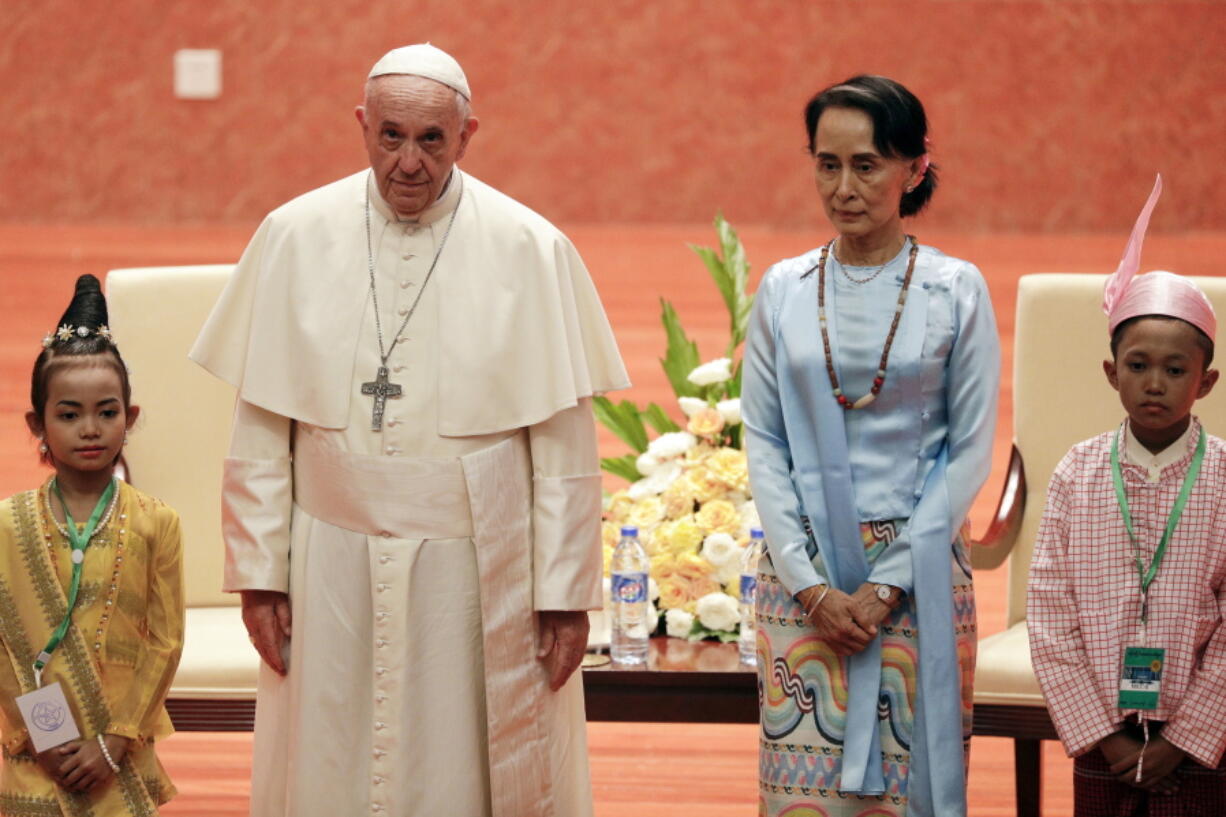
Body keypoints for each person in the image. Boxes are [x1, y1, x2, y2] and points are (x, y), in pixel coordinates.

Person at [189, 44, 628, 817]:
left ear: (468, 136)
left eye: (432, 140)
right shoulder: (294, 235)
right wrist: (259, 569)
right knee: (330, 759)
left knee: (459, 772)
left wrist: (563, 593)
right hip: (330, 558)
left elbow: (563, 442)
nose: (409, 163)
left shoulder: (530, 248)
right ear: (362, 126)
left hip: (474, 568)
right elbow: (262, 420)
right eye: (391, 136)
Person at [743, 75, 1000, 816]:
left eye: (867, 164)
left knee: (907, 791)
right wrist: (810, 584)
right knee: (802, 795)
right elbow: (764, 435)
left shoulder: (955, 289)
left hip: (916, 579)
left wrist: (889, 581)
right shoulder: (784, 288)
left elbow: (970, 449)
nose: (844, 186)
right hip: (803, 578)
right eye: (828, 163)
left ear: (914, 168)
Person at [1028, 176, 1225, 815]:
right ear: (1112, 373)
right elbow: (1051, 614)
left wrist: (1188, 739)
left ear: (1206, 382)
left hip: (1206, 744)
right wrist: (1106, 741)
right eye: (1138, 366)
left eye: (1176, 370)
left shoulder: (1223, 477)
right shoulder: (1076, 474)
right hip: (1103, 741)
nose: (1155, 384)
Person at [0, 274, 185, 816]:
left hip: (120, 751)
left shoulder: (157, 523)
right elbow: (4, 644)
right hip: (38, 754)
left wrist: (115, 742)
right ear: (38, 424)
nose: (90, 429)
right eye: (69, 414)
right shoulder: (9, 526)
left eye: (107, 412)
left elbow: (165, 643)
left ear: (130, 420)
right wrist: (43, 736)